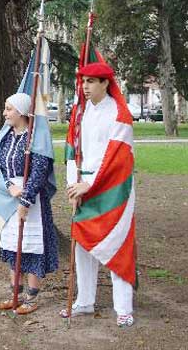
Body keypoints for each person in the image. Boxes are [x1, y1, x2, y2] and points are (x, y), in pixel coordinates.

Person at [61, 62, 137, 328]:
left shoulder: (120, 113)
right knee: (83, 245)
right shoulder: (79, 113)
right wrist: (73, 186)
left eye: (91, 81)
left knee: (118, 244)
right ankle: (84, 300)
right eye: (83, 82)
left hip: (113, 189)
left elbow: (117, 158)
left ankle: (124, 308)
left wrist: (89, 185)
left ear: (106, 83)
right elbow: (72, 151)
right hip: (82, 187)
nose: (86, 87)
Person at [0, 93, 58, 315]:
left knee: (31, 245)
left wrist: (26, 200)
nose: (4, 113)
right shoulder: (7, 136)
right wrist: (9, 186)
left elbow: (39, 171)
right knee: (12, 245)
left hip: (33, 198)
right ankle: (14, 296)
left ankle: (31, 297)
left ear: (21, 112)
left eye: (9, 109)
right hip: (9, 197)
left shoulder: (35, 138)